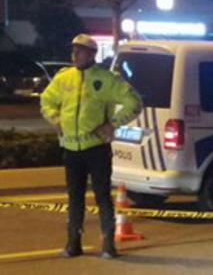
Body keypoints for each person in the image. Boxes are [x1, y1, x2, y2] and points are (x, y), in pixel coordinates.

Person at [40, 34, 142, 259]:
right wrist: (55, 118)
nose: (74, 54)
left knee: (102, 196)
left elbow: (134, 103)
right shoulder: (64, 78)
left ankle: (108, 244)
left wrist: (112, 124)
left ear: (92, 54)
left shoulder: (107, 80)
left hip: (96, 149)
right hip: (71, 150)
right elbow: (46, 101)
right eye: (73, 50)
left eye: (80, 50)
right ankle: (73, 244)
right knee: (74, 198)